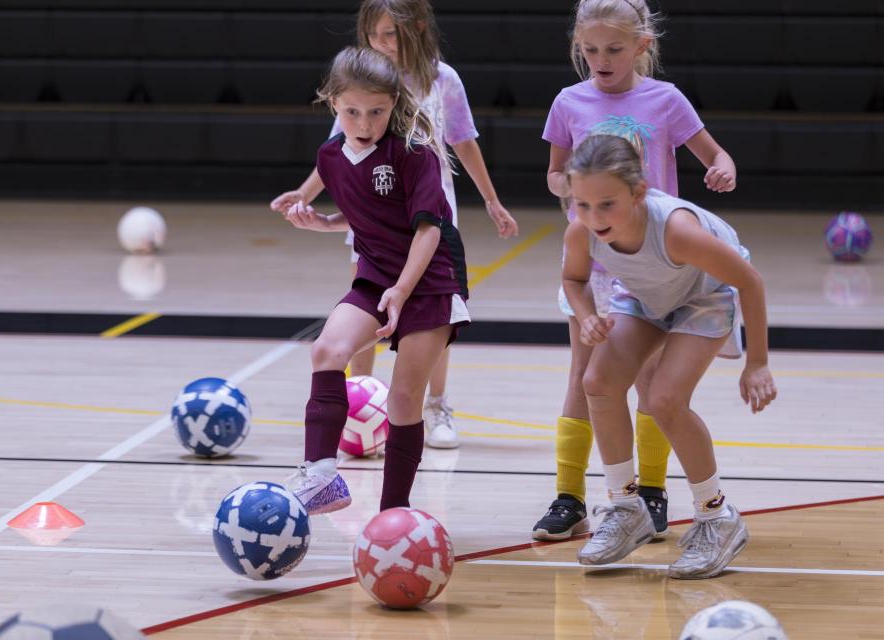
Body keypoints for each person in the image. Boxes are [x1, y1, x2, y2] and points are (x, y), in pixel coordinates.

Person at [533, 0, 739, 541]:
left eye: (614, 49)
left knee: (651, 382)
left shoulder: (665, 99)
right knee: (586, 376)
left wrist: (721, 168)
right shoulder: (568, 101)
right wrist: (572, 186)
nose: (600, 58)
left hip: (656, 260)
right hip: (596, 254)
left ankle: (650, 491)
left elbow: (715, 155)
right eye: (591, 48)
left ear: (642, 46)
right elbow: (555, 172)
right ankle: (570, 496)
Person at [272, 0, 517, 450]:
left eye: (390, 34)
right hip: (370, 212)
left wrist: (492, 200)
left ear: (417, 28)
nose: (382, 44)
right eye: (374, 35)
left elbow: (464, 142)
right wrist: (304, 196)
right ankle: (363, 399)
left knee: (434, 315)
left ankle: (436, 404)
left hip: (426, 214)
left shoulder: (443, 80)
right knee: (364, 306)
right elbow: (338, 153)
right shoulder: (360, 86)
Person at [562, 134, 776, 578]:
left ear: (639, 193)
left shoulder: (676, 231)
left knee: (663, 400)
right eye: (582, 204)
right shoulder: (582, 230)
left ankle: (717, 516)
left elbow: (750, 282)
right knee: (597, 382)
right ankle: (627, 508)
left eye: (606, 204)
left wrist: (757, 363)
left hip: (705, 295)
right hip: (646, 296)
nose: (592, 217)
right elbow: (574, 280)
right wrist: (585, 317)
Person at [279, 47, 470, 515]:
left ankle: (393, 513)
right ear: (333, 105)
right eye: (352, 112)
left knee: (405, 399)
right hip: (375, 277)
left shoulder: (414, 153)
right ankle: (321, 477)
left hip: (429, 281)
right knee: (326, 351)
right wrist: (323, 223)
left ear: (394, 104)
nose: (364, 123)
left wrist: (402, 292)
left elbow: (428, 228)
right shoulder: (330, 157)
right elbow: (363, 215)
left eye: (377, 112)